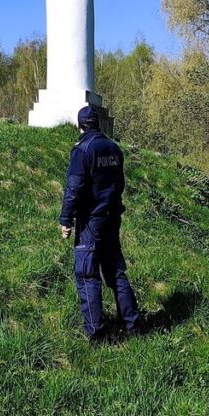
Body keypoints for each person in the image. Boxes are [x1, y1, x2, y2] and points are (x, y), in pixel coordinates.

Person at [60, 106, 141, 340]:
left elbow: (73, 189)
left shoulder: (82, 150)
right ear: (98, 123)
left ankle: (96, 333)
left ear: (80, 125)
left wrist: (66, 220)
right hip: (112, 217)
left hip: (91, 221)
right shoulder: (114, 148)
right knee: (116, 271)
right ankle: (132, 326)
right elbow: (120, 183)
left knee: (87, 274)